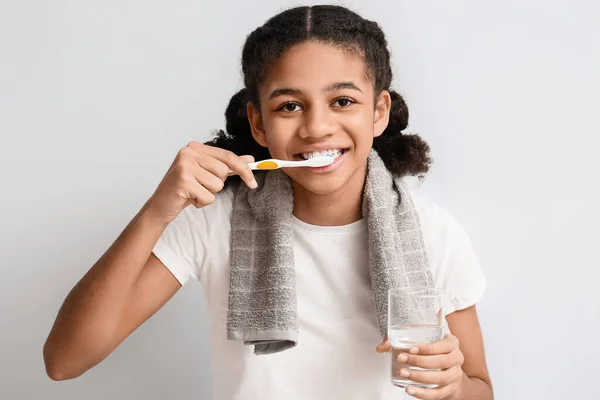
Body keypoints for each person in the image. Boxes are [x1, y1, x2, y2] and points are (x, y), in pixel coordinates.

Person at [43, 5, 493, 400]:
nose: (317, 127)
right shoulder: (214, 221)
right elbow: (64, 361)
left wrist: (453, 388)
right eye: (289, 107)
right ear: (258, 124)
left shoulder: (434, 233)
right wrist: (159, 209)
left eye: (342, 100)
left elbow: (480, 390)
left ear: (378, 112)